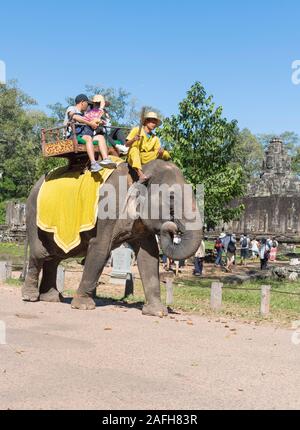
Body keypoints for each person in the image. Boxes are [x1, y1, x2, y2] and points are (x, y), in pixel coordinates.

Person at [64, 94, 116, 173]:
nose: (88, 105)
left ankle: (106, 159)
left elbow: (92, 120)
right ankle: (93, 164)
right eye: (87, 103)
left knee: (100, 137)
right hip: (73, 136)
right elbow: (74, 117)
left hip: (85, 134)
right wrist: (90, 123)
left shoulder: (85, 114)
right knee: (88, 138)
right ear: (82, 102)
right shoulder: (72, 108)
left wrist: (98, 122)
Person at [126, 112, 171, 183]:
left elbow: (157, 152)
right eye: (153, 122)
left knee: (165, 153)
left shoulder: (155, 138)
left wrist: (160, 153)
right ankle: (140, 173)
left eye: (155, 123)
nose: (154, 125)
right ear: (146, 121)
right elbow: (127, 145)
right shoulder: (137, 130)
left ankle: (169, 167)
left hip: (146, 157)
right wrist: (133, 139)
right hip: (135, 156)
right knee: (134, 149)